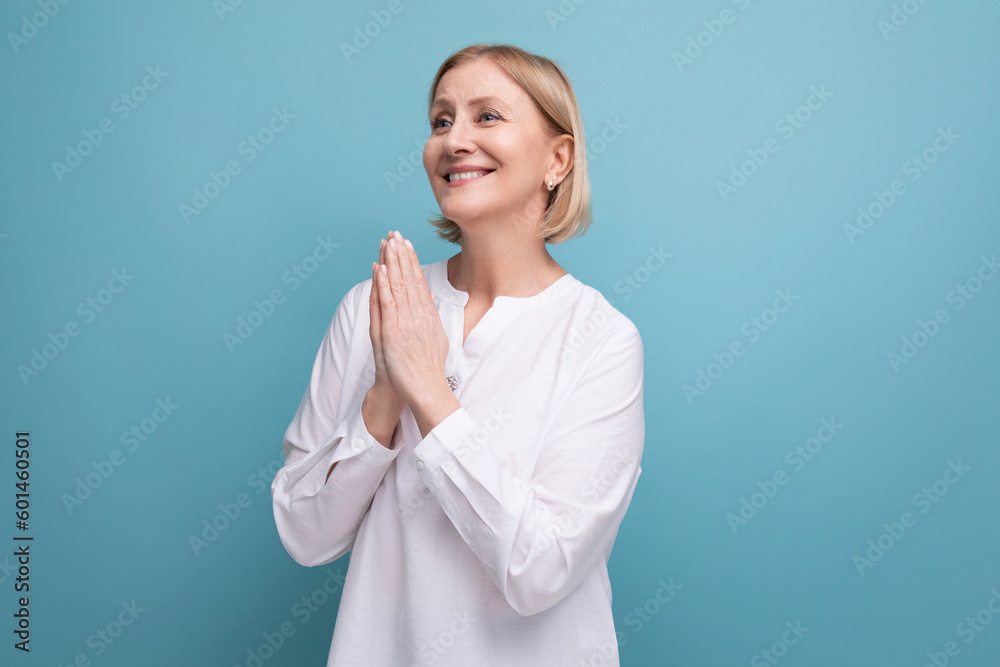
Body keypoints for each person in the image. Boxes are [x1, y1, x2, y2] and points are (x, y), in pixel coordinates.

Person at [271, 43, 645, 666]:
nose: (454, 140)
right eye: (441, 120)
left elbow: (541, 570)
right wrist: (385, 393)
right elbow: (304, 534)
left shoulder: (601, 340)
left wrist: (428, 390)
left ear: (557, 159)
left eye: (487, 116)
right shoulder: (373, 308)